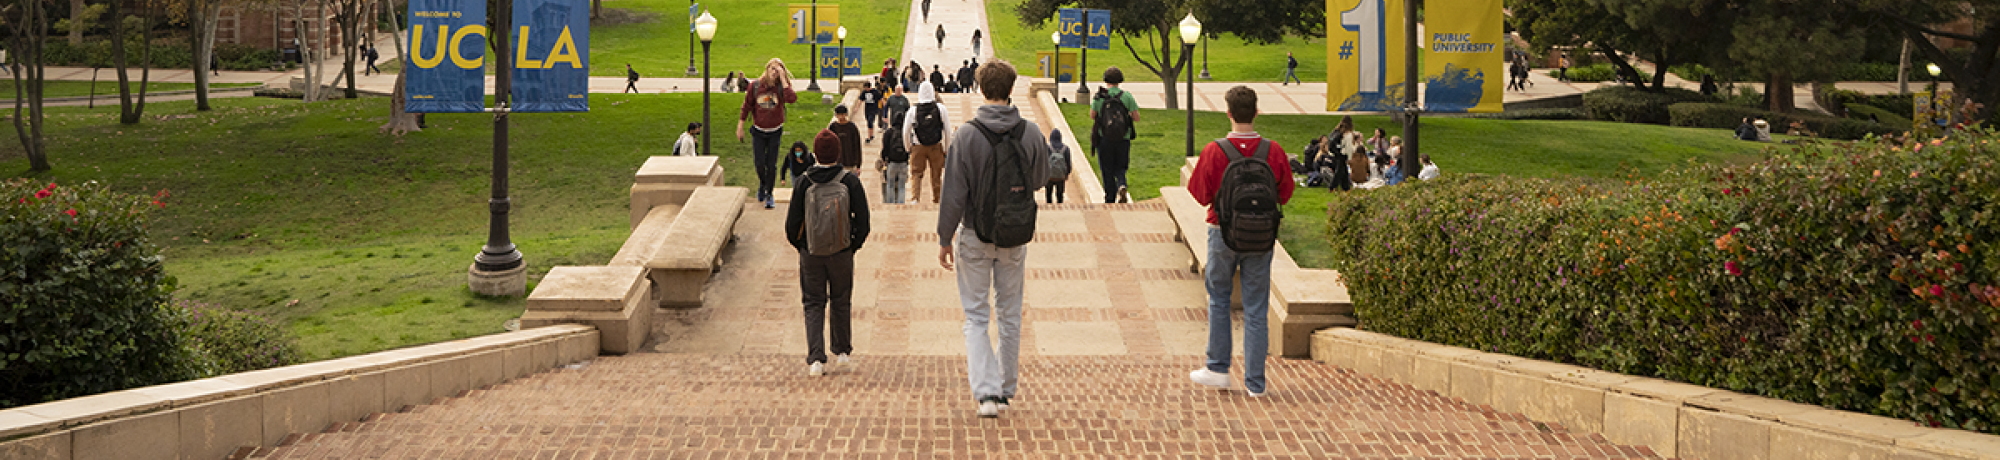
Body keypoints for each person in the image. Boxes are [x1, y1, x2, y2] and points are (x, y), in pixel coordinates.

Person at [936, 59, 1052, 418]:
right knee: (1010, 312)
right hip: (1014, 235)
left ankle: (986, 393)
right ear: (1012, 88)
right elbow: (1039, 180)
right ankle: (1005, 386)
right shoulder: (1031, 133)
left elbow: (953, 193)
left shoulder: (967, 135)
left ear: (981, 89)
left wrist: (944, 237)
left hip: (974, 232)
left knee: (975, 315)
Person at [1186, 85, 1293, 398]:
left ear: (1228, 112)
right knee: (1256, 306)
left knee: (1219, 298)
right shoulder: (1273, 151)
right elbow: (1284, 193)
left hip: (1222, 232)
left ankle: (1218, 368)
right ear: (1256, 112)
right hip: (1261, 236)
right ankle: (1256, 383)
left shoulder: (1214, 150)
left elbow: (1199, 193)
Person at [785, 129, 871, 377]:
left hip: (811, 252)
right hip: (842, 251)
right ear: (838, 153)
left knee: (813, 302)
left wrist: (803, 246)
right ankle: (842, 352)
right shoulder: (849, 181)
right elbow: (864, 221)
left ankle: (816, 359)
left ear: (815, 153)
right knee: (841, 299)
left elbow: (792, 225)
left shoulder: (804, 182)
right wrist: (852, 246)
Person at [738, 58, 800, 209]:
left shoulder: (781, 87)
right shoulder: (755, 86)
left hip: (775, 132)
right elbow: (747, 106)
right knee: (760, 163)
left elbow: (792, 99)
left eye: (778, 70)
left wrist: (784, 80)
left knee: (771, 165)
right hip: (758, 131)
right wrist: (740, 126)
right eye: (772, 68)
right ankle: (763, 184)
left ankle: (769, 193)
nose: (774, 72)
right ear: (766, 69)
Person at [1090, 67, 1139, 203]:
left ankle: (1109, 197)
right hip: (1123, 138)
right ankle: (1122, 183)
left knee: (1107, 168)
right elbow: (1136, 117)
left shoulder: (1100, 97)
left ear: (1106, 80)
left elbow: (1092, 115)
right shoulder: (1127, 96)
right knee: (1121, 166)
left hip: (1104, 138)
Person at [904, 81, 951, 203]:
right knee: (936, 174)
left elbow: (905, 131)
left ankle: (915, 198)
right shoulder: (941, 109)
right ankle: (937, 199)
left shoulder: (913, 110)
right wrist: (946, 148)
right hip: (936, 145)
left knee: (916, 173)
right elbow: (948, 130)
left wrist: (908, 147)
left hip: (918, 145)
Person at [880, 109, 911, 204]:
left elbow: (885, 148)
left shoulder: (889, 132)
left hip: (892, 162)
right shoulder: (907, 132)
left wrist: (884, 158)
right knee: (902, 186)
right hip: (903, 163)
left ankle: (890, 205)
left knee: (890, 185)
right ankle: (901, 205)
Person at [829, 105, 864, 173]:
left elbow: (857, 145)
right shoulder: (833, 127)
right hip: (837, 163)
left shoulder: (852, 127)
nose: (841, 117)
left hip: (850, 162)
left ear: (846, 114)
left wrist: (858, 165)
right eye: (838, 114)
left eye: (842, 114)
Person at [1046, 129, 1071, 203]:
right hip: (1061, 177)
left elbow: (1044, 162)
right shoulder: (1065, 149)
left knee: (1048, 194)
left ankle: (1049, 209)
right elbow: (1068, 164)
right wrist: (1066, 174)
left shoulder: (1047, 147)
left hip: (1049, 177)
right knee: (1060, 195)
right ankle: (1060, 208)